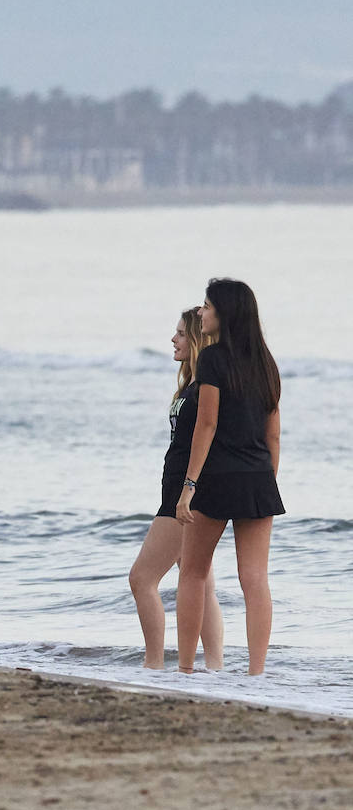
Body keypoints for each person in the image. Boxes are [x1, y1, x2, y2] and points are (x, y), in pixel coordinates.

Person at [176, 279, 283, 675]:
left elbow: (206, 425)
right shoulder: (266, 362)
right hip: (258, 478)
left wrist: (188, 487)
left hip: (218, 477)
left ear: (224, 313)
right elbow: (273, 434)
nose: (201, 314)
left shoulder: (213, 360)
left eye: (206, 307)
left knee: (193, 570)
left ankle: (186, 669)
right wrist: (265, 481)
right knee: (255, 579)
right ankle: (257, 674)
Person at [128, 308, 223, 670]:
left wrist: (189, 489)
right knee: (199, 582)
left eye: (182, 333)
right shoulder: (191, 385)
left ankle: (154, 666)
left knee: (142, 579)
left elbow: (210, 438)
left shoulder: (205, 389)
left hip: (184, 496)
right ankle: (215, 668)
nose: (174, 339)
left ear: (198, 339)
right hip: (179, 490)